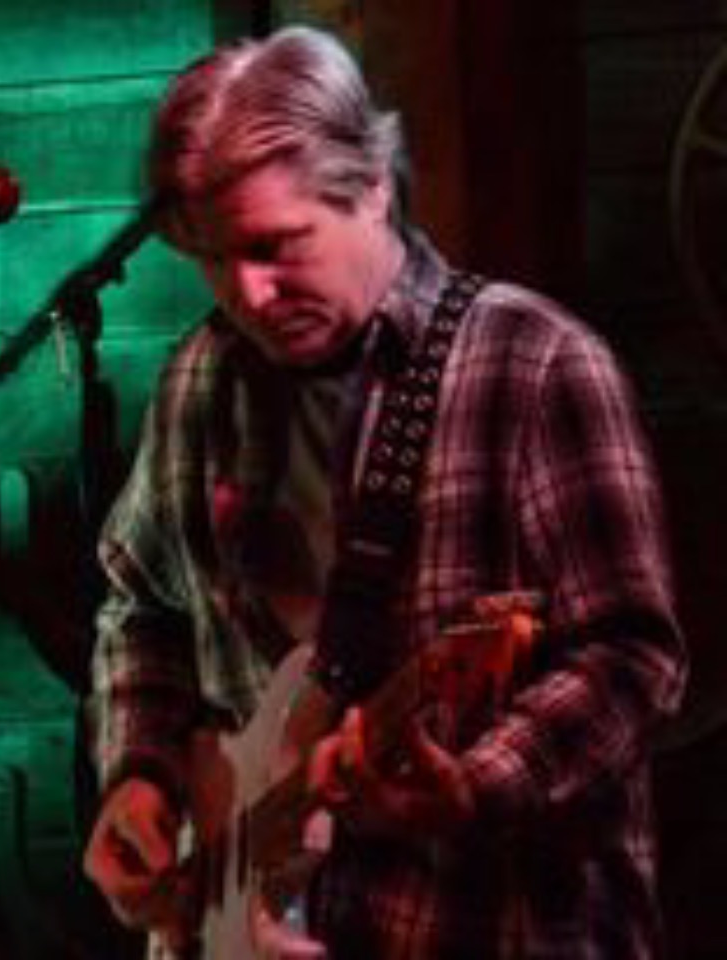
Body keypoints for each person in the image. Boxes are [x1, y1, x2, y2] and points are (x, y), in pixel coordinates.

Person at [83, 24, 687, 959]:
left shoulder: (538, 366)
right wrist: (140, 772)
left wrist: (476, 783)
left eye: (276, 245)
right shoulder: (200, 380)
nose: (248, 293)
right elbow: (142, 605)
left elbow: (632, 659)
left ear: (371, 185)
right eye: (213, 258)